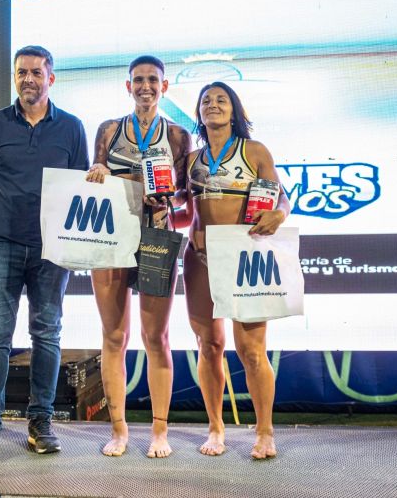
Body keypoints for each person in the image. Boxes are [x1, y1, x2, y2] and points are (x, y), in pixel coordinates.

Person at [0, 45, 89, 463]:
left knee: (47, 333)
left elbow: (79, 186)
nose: (28, 79)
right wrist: (5, 219)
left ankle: (41, 422)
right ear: (14, 77)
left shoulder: (71, 127)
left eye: (36, 72)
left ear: (50, 78)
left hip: (52, 247)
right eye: (22, 72)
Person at [85, 55, 192, 458]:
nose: (145, 86)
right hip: (110, 239)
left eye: (153, 80)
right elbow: (96, 170)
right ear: (127, 87)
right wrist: (99, 172)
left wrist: (166, 196)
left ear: (164, 87)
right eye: (138, 80)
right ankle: (119, 430)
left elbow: (185, 194)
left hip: (158, 238)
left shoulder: (179, 135)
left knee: (156, 338)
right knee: (114, 336)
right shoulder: (109, 129)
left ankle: (160, 432)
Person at [182, 81, 290, 459]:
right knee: (209, 347)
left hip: (244, 257)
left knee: (251, 351)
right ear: (198, 112)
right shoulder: (191, 160)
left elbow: (281, 199)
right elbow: (180, 209)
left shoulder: (254, 151)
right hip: (199, 261)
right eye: (206, 101)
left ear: (234, 109)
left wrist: (279, 214)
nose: (213, 105)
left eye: (221, 100)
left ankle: (265, 432)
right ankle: (215, 428)